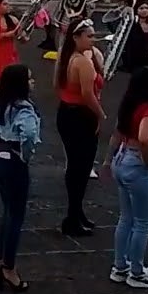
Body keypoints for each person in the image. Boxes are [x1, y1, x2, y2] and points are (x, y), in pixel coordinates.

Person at [0, 62, 40, 292]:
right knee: (16, 215)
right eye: (30, 79)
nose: (33, 82)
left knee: (7, 210)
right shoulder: (24, 109)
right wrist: (26, 154)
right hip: (14, 159)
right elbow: (30, 134)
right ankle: (8, 267)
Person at [102, 66, 148, 289]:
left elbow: (116, 134)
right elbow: (144, 138)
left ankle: (120, 266)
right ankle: (136, 271)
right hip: (136, 162)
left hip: (121, 158)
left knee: (126, 217)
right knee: (144, 222)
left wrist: (108, 161)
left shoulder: (127, 106)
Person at [56, 17, 106, 237]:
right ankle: (73, 216)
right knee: (81, 167)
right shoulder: (82, 63)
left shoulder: (66, 58)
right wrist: (100, 115)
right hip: (80, 114)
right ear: (76, 37)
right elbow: (88, 94)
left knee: (76, 165)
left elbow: (57, 85)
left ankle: (76, 212)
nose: (92, 40)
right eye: (89, 36)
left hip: (66, 111)